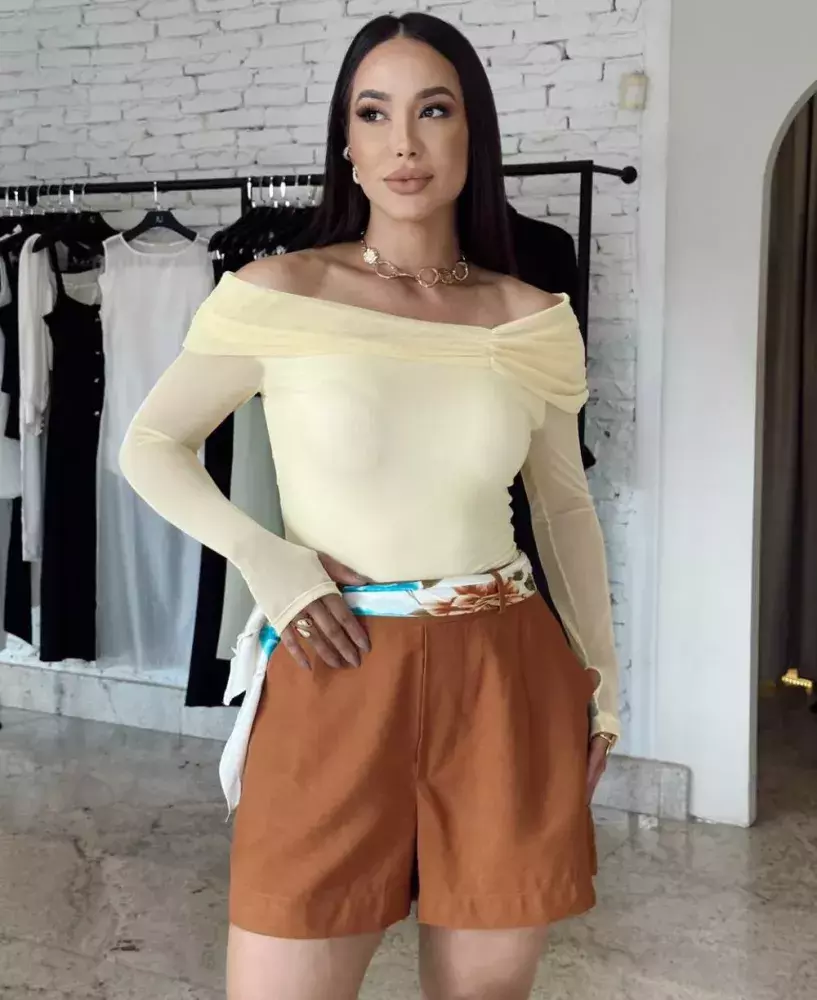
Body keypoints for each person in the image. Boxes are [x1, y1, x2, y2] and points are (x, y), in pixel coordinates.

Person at [119, 12, 620, 1000]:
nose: (404, 143)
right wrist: (268, 559)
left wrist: (601, 686)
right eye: (373, 113)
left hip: (502, 674)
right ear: (345, 142)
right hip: (332, 663)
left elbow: (564, 512)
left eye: (433, 110)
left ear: (471, 133)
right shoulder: (278, 292)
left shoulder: (530, 320)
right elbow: (150, 445)